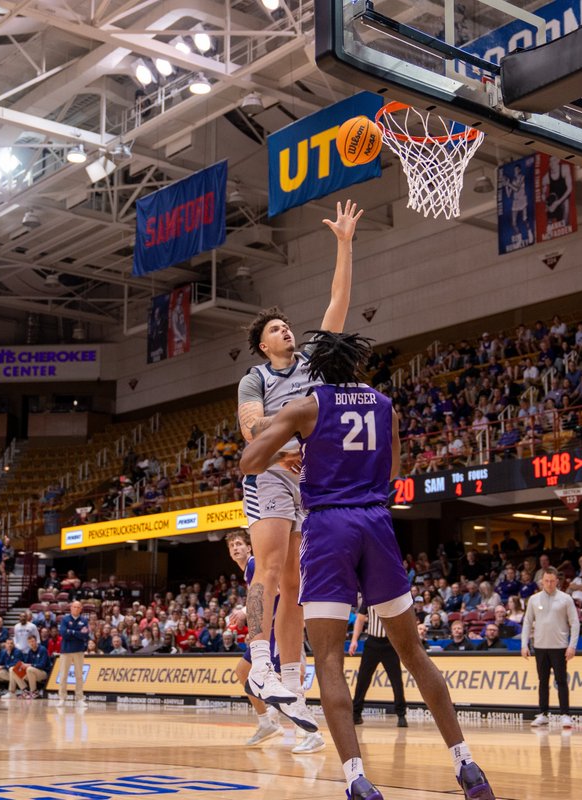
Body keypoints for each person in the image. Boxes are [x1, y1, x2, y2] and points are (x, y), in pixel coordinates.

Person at [240, 330, 494, 800]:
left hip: (329, 528)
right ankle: (466, 763)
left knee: (331, 661)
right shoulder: (384, 404)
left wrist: (290, 451)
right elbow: (393, 469)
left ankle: (357, 778)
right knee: (415, 654)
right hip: (377, 522)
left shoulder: (306, 406)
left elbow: (249, 460)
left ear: (316, 370)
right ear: (354, 366)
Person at [235, 201, 362, 736]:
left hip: (306, 480)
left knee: (295, 581)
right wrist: (283, 447)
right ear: (264, 343)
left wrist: (345, 243)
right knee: (267, 572)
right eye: (278, 328)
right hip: (268, 473)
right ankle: (260, 666)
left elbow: (338, 300)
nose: (288, 331)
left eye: (289, 326)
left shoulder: (312, 364)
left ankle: (291, 682)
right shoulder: (255, 378)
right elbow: (250, 430)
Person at [223, 530, 298, 750]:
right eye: (232, 546)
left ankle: (304, 730)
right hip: (268, 630)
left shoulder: (255, 565)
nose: (236, 548)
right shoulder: (249, 570)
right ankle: (267, 722)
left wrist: (246, 610)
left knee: (283, 679)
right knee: (245, 672)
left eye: (239, 544)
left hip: (277, 629)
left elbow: (275, 590)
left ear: (249, 547)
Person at [521, 566, 579, 729]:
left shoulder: (566, 599)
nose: (549, 584)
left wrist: (572, 646)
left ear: (557, 581)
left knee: (561, 681)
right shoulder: (533, 599)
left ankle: (565, 715)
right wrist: (524, 644)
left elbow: (575, 623)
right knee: (542, 681)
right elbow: (527, 623)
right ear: (542, 581)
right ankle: (543, 714)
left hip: (560, 646)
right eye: (546, 581)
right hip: (539, 646)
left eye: (552, 581)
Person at [350, 604, 408, 727]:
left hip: (390, 643)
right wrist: (354, 640)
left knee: (396, 680)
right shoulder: (368, 599)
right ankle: (356, 713)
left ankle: (401, 715)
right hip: (372, 643)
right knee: (362, 679)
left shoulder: (392, 598)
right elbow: (360, 619)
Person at [56, 600, 90, 706]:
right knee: (63, 675)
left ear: (81, 609)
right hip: (66, 651)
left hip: (79, 651)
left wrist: (71, 631)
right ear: (71, 608)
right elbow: (63, 633)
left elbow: (85, 635)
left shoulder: (84, 620)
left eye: (78, 607)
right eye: (74, 607)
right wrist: (77, 632)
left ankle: (79, 698)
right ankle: (62, 698)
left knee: (79, 675)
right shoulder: (65, 619)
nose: (76, 609)